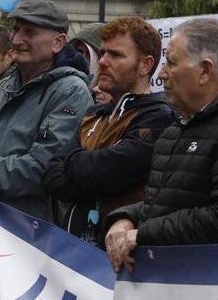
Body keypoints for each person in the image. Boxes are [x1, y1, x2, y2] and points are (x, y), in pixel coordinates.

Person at [104, 18, 218, 273]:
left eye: (172, 63)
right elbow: (168, 202)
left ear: (206, 71)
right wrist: (126, 219)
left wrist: (144, 234)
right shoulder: (177, 127)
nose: (162, 73)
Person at [0, 0, 93, 299]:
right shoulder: (0, 89)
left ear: (57, 42)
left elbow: (43, 166)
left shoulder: (70, 92)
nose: (16, 39)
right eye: (16, 30)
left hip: (26, 240)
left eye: (29, 32)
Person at [42, 17, 174, 248]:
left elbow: (107, 171)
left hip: (118, 259)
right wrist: (89, 167)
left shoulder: (158, 117)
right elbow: (53, 177)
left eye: (115, 55)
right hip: (74, 255)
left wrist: (74, 160)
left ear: (145, 65)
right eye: (102, 53)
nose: (103, 61)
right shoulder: (95, 113)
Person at [70, 22, 111, 104]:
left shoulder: (111, 94)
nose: (83, 58)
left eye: (89, 54)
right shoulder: (68, 86)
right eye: (80, 51)